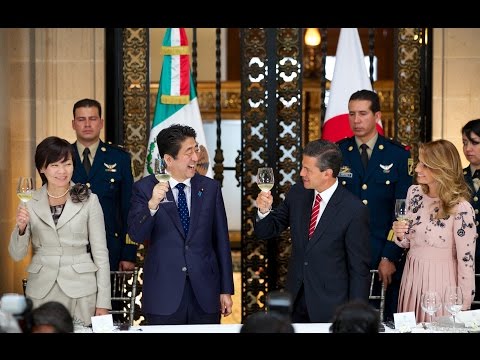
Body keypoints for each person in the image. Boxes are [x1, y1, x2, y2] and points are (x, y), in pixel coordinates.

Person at [254, 139, 371, 323]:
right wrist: (263, 211)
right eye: (302, 167)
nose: (301, 173)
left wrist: (356, 315)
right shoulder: (297, 193)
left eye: (308, 169)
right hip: (294, 302)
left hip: (331, 307)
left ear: (327, 173)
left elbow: (359, 270)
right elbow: (267, 230)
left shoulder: (354, 210)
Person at [127, 124, 234, 324]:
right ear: (168, 159)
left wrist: (225, 289)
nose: (196, 157)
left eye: (196, 149)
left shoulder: (210, 188)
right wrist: (152, 206)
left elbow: (221, 241)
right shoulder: (144, 188)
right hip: (163, 294)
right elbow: (136, 235)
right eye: (188, 152)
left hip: (205, 294)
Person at [9, 136, 111, 326]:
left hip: (81, 290)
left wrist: (103, 302)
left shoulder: (90, 200)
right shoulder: (29, 200)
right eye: (55, 165)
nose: (62, 171)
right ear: (42, 168)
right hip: (41, 289)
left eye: (67, 164)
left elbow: (101, 254)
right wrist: (21, 229)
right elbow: (17, 254)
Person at [337, 89, 412, 321]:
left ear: (377, 116)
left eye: (362, 113)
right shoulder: (337, 151)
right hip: (342, 253)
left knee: (380, 319)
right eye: (351, 114)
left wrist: (390, 255)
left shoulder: (397, 155)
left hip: (381, 252)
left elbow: (403, 210)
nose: (356, 120)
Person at [392, 139, 476, 322]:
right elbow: (406, 241)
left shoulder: (461, 208)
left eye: (425, 165)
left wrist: (463, 308)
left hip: (442, 286)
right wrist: (399, 232)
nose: (417, 169)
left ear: (441, 168)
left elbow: (466, 263)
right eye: (418, 163)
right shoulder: (414, 193)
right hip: (412, 279)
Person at [71, 98, 136, 272]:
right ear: (73, 124)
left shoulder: (119, 158)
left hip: (110, 250)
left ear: (101, 123)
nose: (87, 124)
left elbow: (129, 208)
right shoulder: (61, 157)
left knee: (108, 300)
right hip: (70, 251)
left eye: (92, 119)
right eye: (81, 119)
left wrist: (128, 253)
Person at [461, 119, 480, 309]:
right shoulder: (457, 178)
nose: (468, 148)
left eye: (474, 142)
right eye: (465, 143)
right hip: (465, 260)